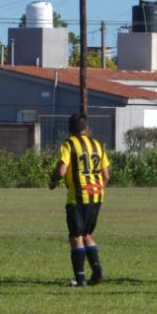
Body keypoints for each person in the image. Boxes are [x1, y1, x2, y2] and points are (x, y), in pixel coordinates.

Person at [49, 113, 110, 287]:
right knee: (87, 234)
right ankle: (97, 272)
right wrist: (97, 188)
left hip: (78, 196)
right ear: (86, 129)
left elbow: (61, 171)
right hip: (97, 195)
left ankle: (80, 279)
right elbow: (106, 175)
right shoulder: (98, 145)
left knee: (76, 237)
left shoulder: (69, 144)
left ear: (70, 130)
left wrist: (53, 181)